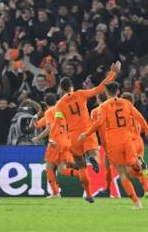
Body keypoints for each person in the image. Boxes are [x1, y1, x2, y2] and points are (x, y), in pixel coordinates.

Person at [79, 82, 148, 209]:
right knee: (133, 163)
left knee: (122, 172)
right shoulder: (127, 103)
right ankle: (140, 165)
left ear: (106, 92)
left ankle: (136, 203)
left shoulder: (104, 106)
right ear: (118, 91)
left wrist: (86, 134)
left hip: (113, 142)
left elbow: (99, 122)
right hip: (127, 139)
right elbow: (139, 117)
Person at [53, 62, 120, 203]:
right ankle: (92, 157)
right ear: (71, 86)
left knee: (82, 167)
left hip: (73, 137)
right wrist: (112, 73)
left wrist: (58, 139)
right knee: (92, 153)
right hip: (87, 132)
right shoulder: (81, 94)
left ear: (62, 89)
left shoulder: (59, 104)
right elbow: (99, 89)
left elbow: (59, 123)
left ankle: (89, 194)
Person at [32, 93, 79, 198]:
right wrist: (37, 116)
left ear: (45, 103)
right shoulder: (60, 111)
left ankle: (55, 193)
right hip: (66, 142)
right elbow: (37, 125)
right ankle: (83, 174)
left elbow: (49, 128)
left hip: (55, 143)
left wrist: (38, 138)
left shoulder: (49, 112)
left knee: (49, 168)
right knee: (61, 170)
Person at [121, 92, 148, 198]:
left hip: (131, 142)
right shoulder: (136, 112)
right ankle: (147, 190)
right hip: (139, 140)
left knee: (130, 166)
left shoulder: (123, 113)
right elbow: (142, 124)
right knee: (138, 171)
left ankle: (142, 166)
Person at [90, 92, 113, 197]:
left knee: (110, 167)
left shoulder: (95, 112)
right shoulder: (113, 108)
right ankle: (146, 182)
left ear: (98, 99)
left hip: (108, 144)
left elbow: (92, 130)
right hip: (122, 141)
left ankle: (108, 190)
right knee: (131, 166)